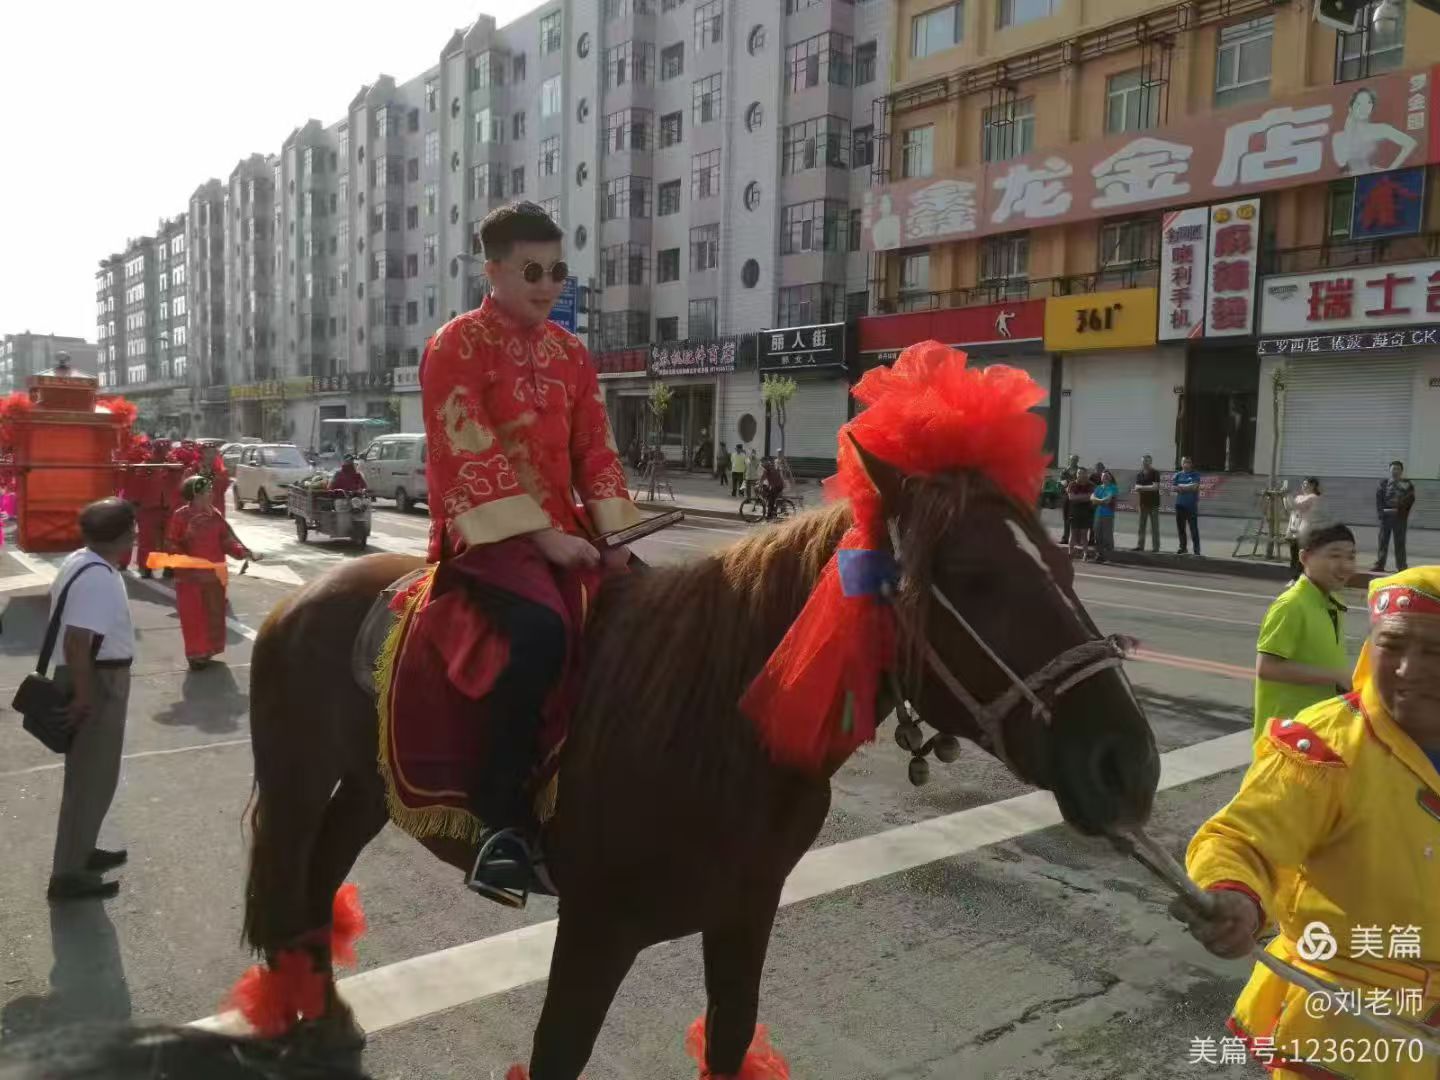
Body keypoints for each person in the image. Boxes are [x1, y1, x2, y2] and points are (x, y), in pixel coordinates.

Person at [420, 200, 640, 903]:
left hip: (566, 529)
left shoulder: (571, 353)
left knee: (655, 611)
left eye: (557, 271)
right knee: (541, 631)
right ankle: (501, 827)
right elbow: (467, 453)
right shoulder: (456, 345)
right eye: (532, 271)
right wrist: (544, 536)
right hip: (486, 535)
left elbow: (595, 449)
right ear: (493, 271)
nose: (549, 285)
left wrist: (615, 538)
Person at [1177, 567, 1440, 1080]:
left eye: (1436, 651)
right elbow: (1242, 840)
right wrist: (1234, 894)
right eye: (1392, 646)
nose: (1409, 669)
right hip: (1347, 1018)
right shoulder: (1327, 746)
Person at [46, 499, 137, 902]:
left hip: (96, 676)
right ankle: (68, 874)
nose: (136, 533)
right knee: (91, 779)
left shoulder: (83, 560)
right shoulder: (97, 577)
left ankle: (81, 851)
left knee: (92, 777)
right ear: (122, 535)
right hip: (96, 681)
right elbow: (77, 641)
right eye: (132, 527)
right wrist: (84, 697)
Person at [1252, 522, 1356, 741]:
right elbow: (1267, 668)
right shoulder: (1291, 605)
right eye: (1335, 555)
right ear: (1305, 557)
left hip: (1317, 731)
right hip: (1286, 738)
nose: (1345, 565)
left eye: (1351, 557)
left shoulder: (1332, 602)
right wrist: (1336, 676)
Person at [163, 476, 257, 671]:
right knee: (193, 617)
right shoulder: (181, 516)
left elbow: (225, 540)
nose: (211, 494)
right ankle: (196, 654)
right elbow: (171, 542)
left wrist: (241, 551)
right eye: (207, 491)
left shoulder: (215, 515)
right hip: (190, 578)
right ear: (196, 494)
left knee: (214, 615)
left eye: (211, 490)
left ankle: (209, 650)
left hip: (214, 575)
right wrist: (185, 561)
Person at [1374, 459, 1416, 573]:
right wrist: (1380, 514)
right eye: (1393, 469)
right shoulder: (1383, 483)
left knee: (1400, 543)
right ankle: (1380, 565)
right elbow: (1379, 499)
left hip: (1399, 517)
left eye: (1397, 469)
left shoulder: (1407, 484)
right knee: (1383, 542)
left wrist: (1403, 512)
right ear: (1389, 470)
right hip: (1386, 516)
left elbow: (1411, 499)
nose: (1395, 471)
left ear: (1401, 471)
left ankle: (1402, 567)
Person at [1284, 476, 1325, 580]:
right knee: (1294, 555)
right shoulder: (1299, 497)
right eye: (1303, 484)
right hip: (1294, 528)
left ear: (1313, 486)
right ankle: (1294, 578)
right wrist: (1285, 497)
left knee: (1301, 555)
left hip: (1306, 529)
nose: (1303, 486)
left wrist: (1287, 495)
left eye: (1306, 484)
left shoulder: (1313, 497)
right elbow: (1289, 507)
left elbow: (1296, 506)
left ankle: (1300, 578)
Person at [1131, 454, 1161, 553]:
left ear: (1150, 462)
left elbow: (1155, 487)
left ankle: (1156, 548)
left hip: (1154, 504)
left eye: (1147, 461)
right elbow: (1136, 488)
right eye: (1143, 461)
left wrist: (1142, 487)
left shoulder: (1155, 473)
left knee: (1154, 527)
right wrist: (1148, 487)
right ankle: (1140, 546)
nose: (1145, 463)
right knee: (1141, 526)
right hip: (1142, 504)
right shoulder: (1139, 474)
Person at [1172, 456, 1202, 556]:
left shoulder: (1195, 475)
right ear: (1181, 463)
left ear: (1191, 464)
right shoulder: (1177, 475)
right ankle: (1183, 547)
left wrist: (1181, 487)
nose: (1186, 464)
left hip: (1191, 506)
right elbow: (1174, 488)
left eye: (1188, 462)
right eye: (1184, 462)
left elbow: (1195, 487)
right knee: (1181, 529)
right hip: (1179, 505)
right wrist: (1187, 487)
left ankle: (1196, 550)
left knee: (1193, 529)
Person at [1065, 467, 1095, 560]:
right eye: (1078, 473)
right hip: (1074, 512)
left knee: (1084, 534)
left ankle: (1085, 554)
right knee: (1073, 533)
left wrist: (1078, 497)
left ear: (1086, 474)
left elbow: (1092, 497)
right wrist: (1085, 497)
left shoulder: (1091, 485)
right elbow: (1071, 497)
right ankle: (1070, 553)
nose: (1080, 475)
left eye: (1082, 473)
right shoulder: (1072, 484)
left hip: (1086, 512)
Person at [1090, 470, 1119, 564]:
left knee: (1107, 537)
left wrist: (1098, 501)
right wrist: (1101, 501)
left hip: (1108, 515)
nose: (1105, 477)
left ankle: (1109, 557)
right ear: (1101, 478)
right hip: (1098, 515)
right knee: (1097, 536)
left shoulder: (1113, 487)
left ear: (1110, 478)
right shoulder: (1098, 487)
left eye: (1107, 476)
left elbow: (1108, 500)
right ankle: (1099, 556)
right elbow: (1092, 498)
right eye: (1103, 476)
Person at [1058, 454, 1082, 546]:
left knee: (1076, 518)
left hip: (1076, 497)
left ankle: (1076, 539)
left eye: (1075, 459)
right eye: (1072, 459)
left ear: (1077, 461)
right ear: (1069, 460)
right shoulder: (1065, 471)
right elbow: (1061, 482)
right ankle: (1065, 538)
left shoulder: (1080, 471)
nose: (1073, 461)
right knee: (1066, 518)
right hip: (1066, 497)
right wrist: (1064, 487)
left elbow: (1082, 483)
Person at [759, 454, 785, 520]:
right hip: (778, 485)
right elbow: (767, 478)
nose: (761, 464)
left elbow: (763, 477)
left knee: (771, 501)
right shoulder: (771, 466)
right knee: (771, 497)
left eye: (762, 462)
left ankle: (769, 516)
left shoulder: (767, 468)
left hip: (776, 486)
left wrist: (759, 484)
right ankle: (773, 513)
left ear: (765, 462)